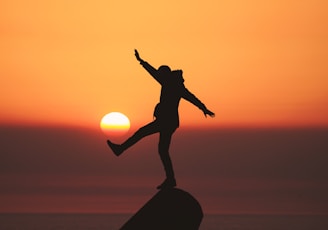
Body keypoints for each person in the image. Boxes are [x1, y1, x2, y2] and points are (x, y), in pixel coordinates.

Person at [107, 50, 215, 190]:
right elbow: (189, 96)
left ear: (165, 74)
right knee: (162, 150)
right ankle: (170, 179)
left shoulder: (172, 84)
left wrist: (203, 108)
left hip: (166, 121)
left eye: (161, 75)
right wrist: (141, 61)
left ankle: (120, 149)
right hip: (169, 122)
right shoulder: (172, 83)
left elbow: (191, 97)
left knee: (143, 134)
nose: (159, 77)